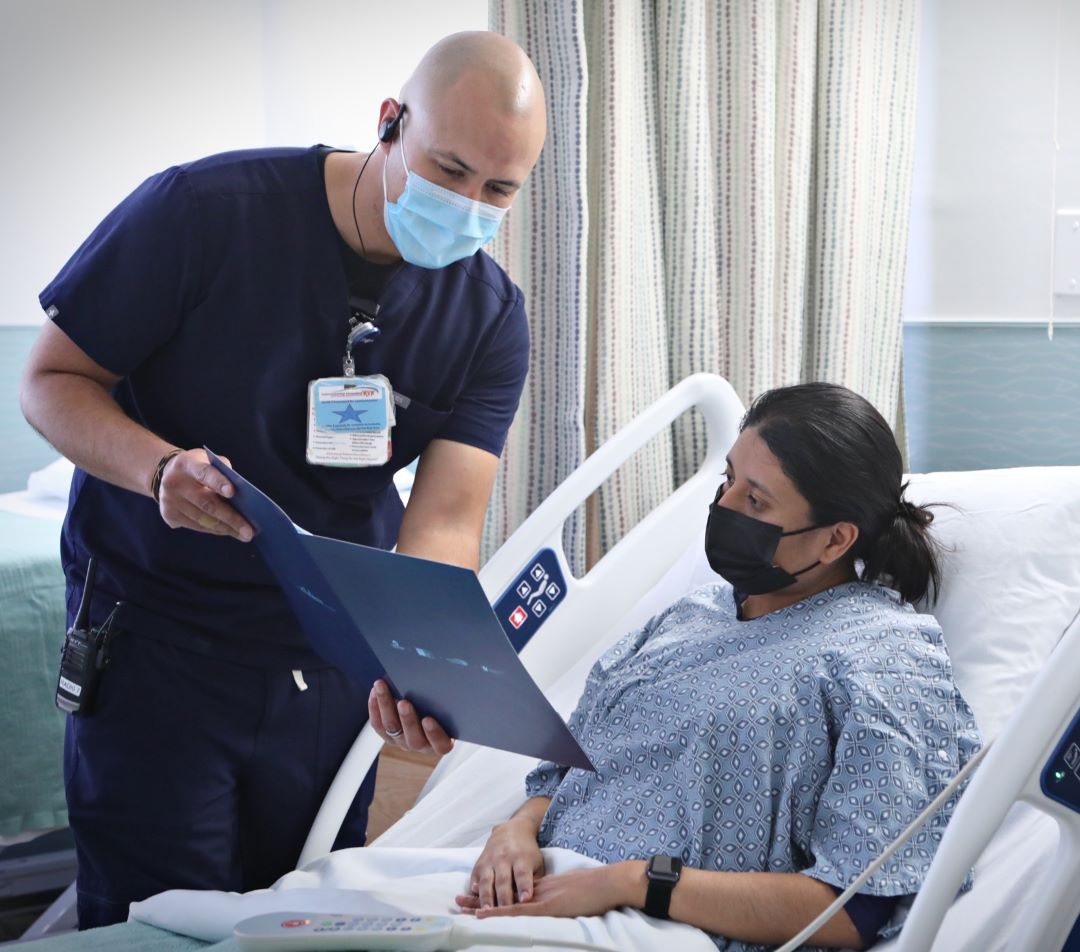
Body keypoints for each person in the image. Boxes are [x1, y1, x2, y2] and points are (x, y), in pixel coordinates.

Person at [19, 31, 546, 929]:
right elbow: (50, 382)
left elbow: (449, 516)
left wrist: (417, 661)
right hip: (160, 639)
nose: (466, 206)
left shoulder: (488, 317)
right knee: (158, 920)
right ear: (390, 123)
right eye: (448, 169)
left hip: (327, 660)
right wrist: (157, 472)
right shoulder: (204, 212)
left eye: (498, 190)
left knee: (302, 915)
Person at [455, 383, 981, 951]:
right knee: (349, 895)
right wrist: (516, 830)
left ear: (835, 540)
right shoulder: (686, 618)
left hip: (657, 929)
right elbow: (566, 771)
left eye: (756, 502)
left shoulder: (884, 656)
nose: (724, 508)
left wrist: (632, 884)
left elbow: (855, 910)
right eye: (728, 481)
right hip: (533, 891)